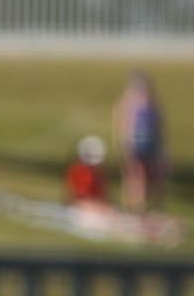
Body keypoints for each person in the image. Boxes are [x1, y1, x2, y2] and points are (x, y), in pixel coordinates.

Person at [114, 71, 164, 212]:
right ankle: (134, 207)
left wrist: (161, 147)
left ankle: (154, 207)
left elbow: (160, 126)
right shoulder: (127, 102)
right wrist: (124, 143)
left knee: (154, 175)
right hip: (135, 142)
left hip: (151, 143)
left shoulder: (153, 103)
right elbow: (123, 124)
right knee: (135, 175)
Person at [65, 135, 109, 207]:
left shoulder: (99, 174)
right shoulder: (78, 171)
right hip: (82, 210)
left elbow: (103, 197)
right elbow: (76, 200)